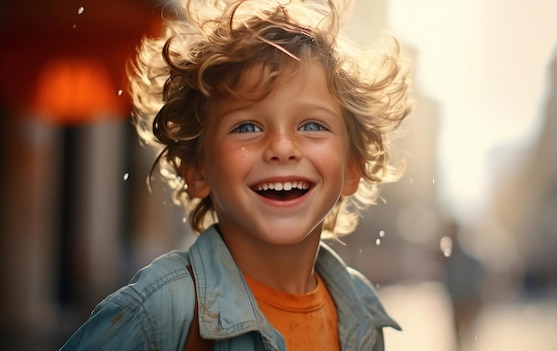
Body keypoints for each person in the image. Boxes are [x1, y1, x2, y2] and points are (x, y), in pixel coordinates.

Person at [61, 0, 412, 349]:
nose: (281, 146)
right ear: (197, 168)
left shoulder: (361, 312)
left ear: (352, 167)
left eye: (312, 125)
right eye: (246, 126)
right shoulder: (160, 311)